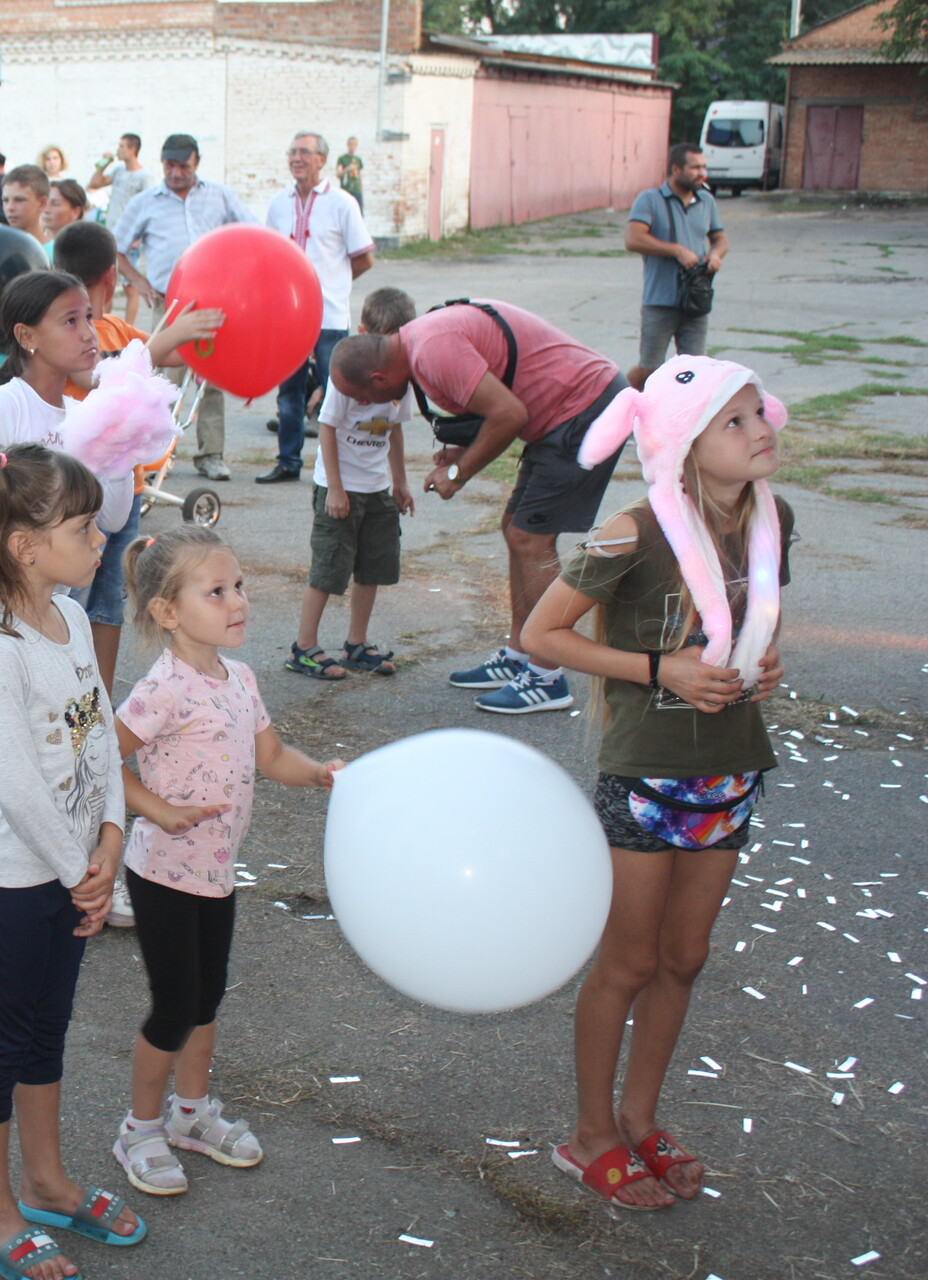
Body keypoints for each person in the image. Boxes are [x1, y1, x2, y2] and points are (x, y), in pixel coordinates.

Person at [519, 357, 791, 1212]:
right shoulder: (629, 532)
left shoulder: (772, 520)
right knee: (629, 961)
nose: (762, 430)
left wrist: (764, 660)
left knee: (685, 956)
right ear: (683, 444)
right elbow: (540, 633)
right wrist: (655, 670)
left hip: (734, 765)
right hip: (646, 776)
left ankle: (640, 1118)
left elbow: (749, 622)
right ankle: (588, 1135)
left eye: (759, 413)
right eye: (736, 422)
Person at [0, 442, 144, 1280]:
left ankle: (46, 1181)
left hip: (72, 873)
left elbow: (102, 740)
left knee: (48, 1032)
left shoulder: (64, 618)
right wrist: (81, 872)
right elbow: (19, 787)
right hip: (10, 883)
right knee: (1, 1040)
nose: (104, 539)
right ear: (26, 544)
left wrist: (111, 841)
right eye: (87, 526)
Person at [110, 526, 340, 1196]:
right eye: (217, 591)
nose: (238, 601)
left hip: (215, 872)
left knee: (207, 999)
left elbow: (270, 757)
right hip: (162, 875)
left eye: (238, 586)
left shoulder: (239, 678)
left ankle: (190, 1114)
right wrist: (151, 806)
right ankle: (140, 1127)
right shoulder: (164, 688)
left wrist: (317, 773)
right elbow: (102, 756)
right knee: (174, 1006)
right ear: (168, 612)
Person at [329, 299, 628, 714]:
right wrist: (461, 451)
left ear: (379, 378)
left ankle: (548, 676)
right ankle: (521, 653)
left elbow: (509, 413)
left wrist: (457, 475)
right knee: (515, 528)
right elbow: (498, 402)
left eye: (362, 397)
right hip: (563, 412)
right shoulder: (417, 347)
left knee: (531, 538)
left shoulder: (432, 351)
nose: (364, 405)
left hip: (584, 406)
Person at [51, 221, 221, 695]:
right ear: (112, 277)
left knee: (109, 602)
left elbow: (169, 357)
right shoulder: (70, 336)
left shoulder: (122, 330)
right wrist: (171, 338)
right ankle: (66, 697)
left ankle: (97, 702)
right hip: (80, 498)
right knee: (72, 601)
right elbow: (109, 382)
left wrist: (208, 332)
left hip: (127, 492)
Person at [0, 271, 131, 545]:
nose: (89, 335)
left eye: (88, 317)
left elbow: (112, 519)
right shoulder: (0, 408)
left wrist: (123, 455)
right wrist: (25, 487)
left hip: (58, 587)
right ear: (26, 336)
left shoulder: (82, 417)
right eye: (71, 321)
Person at [288, 287, 417, 681]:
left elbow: (394, 432)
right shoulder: (348, 375)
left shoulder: (401, 383)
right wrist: (337, 489)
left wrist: (400, 482)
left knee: (372, 569)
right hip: (338, 492)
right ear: (363, 334)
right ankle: (304, 648)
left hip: (377, 490)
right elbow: (327, 429)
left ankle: (355, 644)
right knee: (328, 570)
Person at [112, 134, 257, 482]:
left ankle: (211, 455)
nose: (175, 173)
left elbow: (251, 233)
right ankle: (157, 456)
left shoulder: (219, 196)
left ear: (197, 164)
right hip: (168, 303)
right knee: (162, 379)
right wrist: (138, 282)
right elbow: (116, 248)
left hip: (215, 305)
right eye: (169, 166)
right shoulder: (145, 202)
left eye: (183, 166)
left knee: (212, 379)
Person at [257, 132, 374, 485]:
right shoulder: (278, 204)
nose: (297, 158)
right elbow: (271, 257)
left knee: (338, 391)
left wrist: (334, 285)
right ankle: (288, 461)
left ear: (322, 159)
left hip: (330, 316)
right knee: (289, 394)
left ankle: (340, 467)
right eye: (292, 152)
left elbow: (364, 258)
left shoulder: (342, 203)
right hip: (288, 319)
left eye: (305, 152)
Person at [626, 143, 727, 392]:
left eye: (703, 166)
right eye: (695, 167)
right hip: (660, 299)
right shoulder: (650, 200)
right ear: (676, 169)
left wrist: (715, 255)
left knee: (693, 370)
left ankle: (683, 425)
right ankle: (620, 399)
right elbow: (633, 239)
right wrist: (676, 250)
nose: (701, 172)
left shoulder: (706, 201)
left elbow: (720, 239)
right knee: (650, 369)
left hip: (695, 298)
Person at [87, 134, 151, 323]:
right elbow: (94, 184)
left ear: (132, 149)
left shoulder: (144, 176)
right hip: (110, 235)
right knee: (105, 283)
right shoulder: (118, 172)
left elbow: (147, 207)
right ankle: (103, 324)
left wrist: (139, 237)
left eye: (122, 146)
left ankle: (128, 328)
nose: (118, 149)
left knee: (130, 286)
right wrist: (103, 164)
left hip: (130, 237)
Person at [1, 164, 52, 245]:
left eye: (19, 200)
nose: (10, 207)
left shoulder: (57, 254)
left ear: (42, 203)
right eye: (5, 200)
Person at [335, 137, 364, 214]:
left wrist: (361, 191)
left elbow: (360, 176)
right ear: (347, 145)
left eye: (354, 144)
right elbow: (338, 174)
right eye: (351, 144)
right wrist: (347, 169)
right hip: (346, 190)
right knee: (345, 214)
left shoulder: (358, 159)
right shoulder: (342, 158)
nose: (352, 146)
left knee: (359, 214)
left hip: (356, 191)